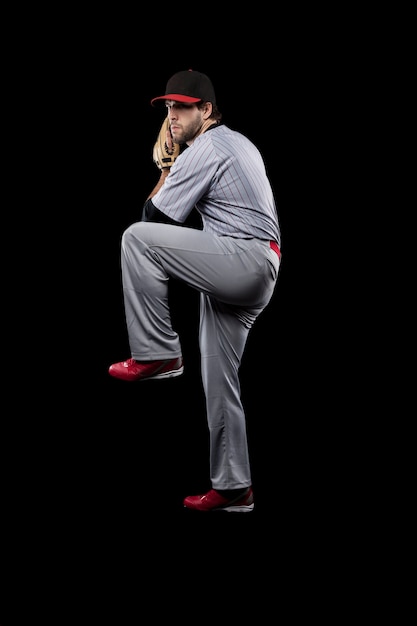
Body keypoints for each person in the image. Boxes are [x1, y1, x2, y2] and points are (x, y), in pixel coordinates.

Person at [109, 69, 282, 513]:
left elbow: (154, 222)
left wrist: (166, 166)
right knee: (218, 381)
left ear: (206, 111)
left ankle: (157, 353)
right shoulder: (236, 142)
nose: (172, 116)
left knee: (135, 238)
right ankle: (233, 488)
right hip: (250, 263)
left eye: (182, 106)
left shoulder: (210, 144)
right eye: (168, 107)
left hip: (243, 259)